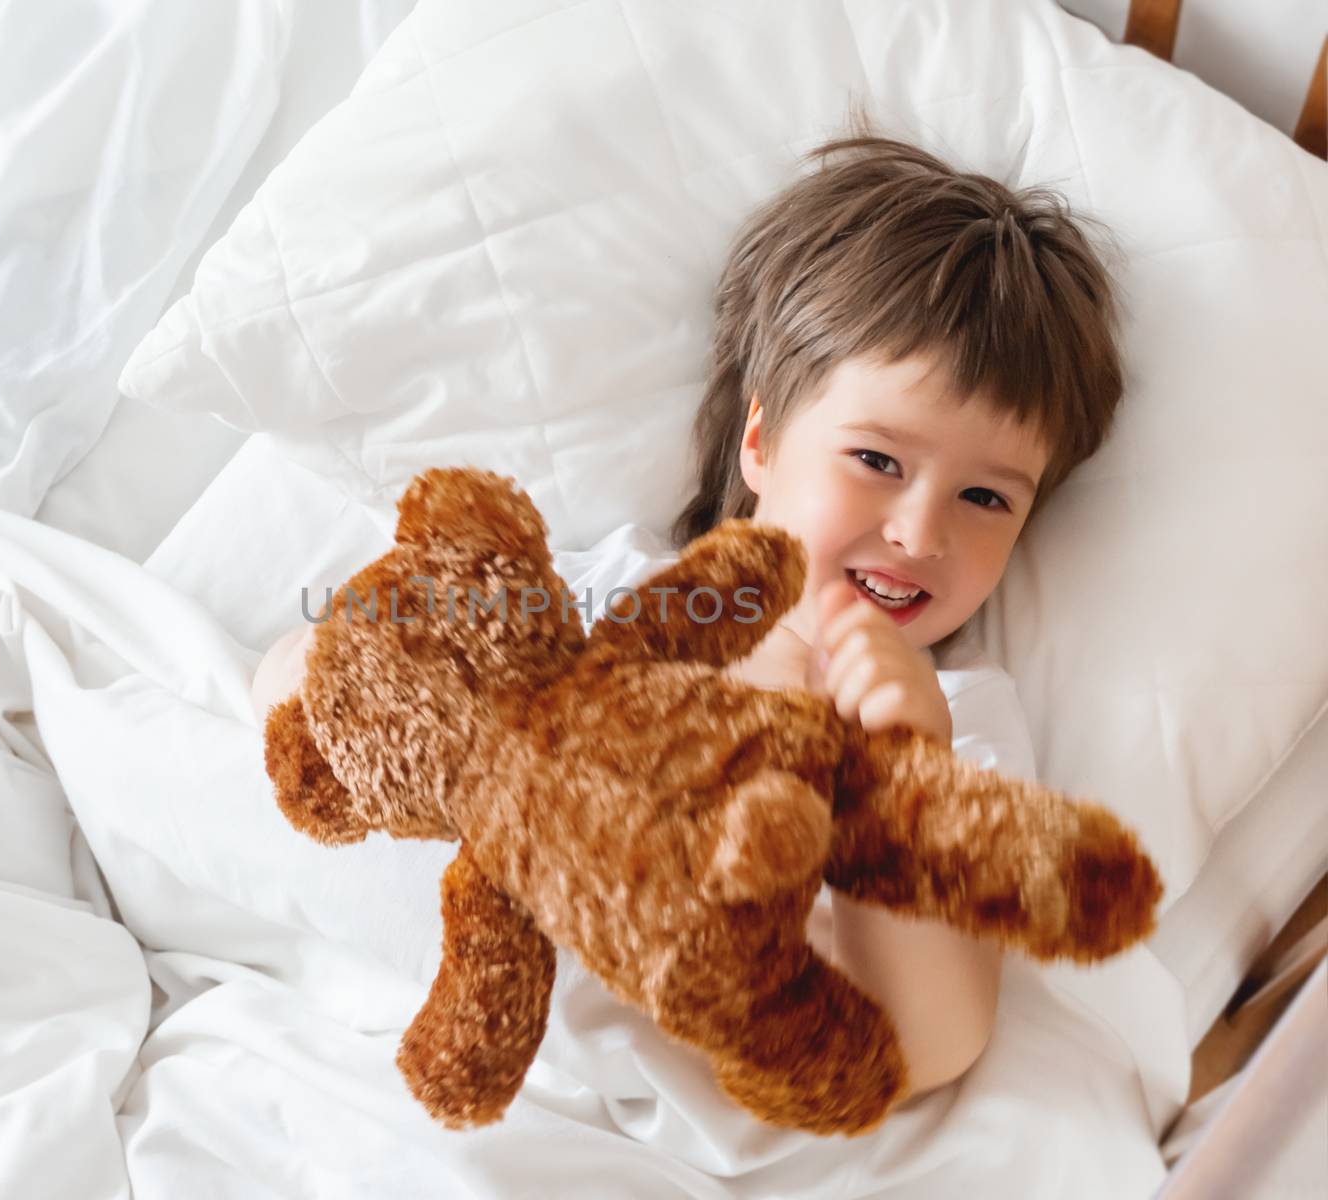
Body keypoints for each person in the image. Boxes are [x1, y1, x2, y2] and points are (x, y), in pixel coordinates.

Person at [253, 128, 1124, 1108]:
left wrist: (905, 771)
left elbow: (934, 1046)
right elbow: (318, 676)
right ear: (760, 438)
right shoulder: (607, 593)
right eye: (877, 462)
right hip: (435, 1018)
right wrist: (374, 700)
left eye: (986, 500)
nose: (920, 533)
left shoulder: (957, 722)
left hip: (651, 1095)